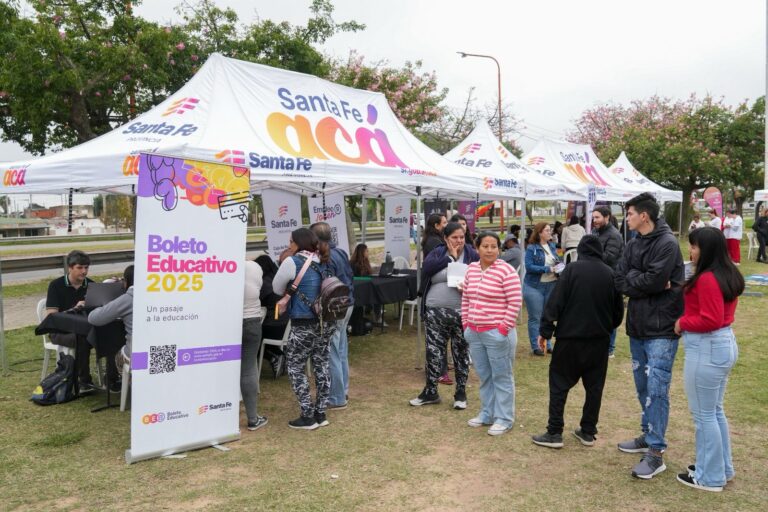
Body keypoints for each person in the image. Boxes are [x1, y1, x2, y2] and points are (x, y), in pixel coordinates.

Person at [614, 192, 684, 479]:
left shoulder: (667, 243)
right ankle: (648, 432)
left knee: (657, 389)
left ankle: (656, 452)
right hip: (638, 326)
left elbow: (655, 280)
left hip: (661, 329)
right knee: (643, 386)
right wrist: (645, 282)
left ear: (644, 215)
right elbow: (619, 278)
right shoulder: (633, 243)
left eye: (629, 213)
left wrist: (644, 281)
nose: (626, 218)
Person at [531, 236, 624, 449]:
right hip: (599, 342)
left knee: (558, 385)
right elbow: (618, 313)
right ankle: (588, 431)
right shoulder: (610, 274)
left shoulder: (571, 271)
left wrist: (545, 331)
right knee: (594, 388)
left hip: (569, 339)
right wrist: (605, 326)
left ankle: (554, 432)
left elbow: (555, 303)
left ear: (580, 250)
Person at [673, 227, 743, 492]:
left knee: (704, 415)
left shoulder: (707, 278)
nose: (690, 251)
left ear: (708, 249)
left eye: (694, 246)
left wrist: (681, 322)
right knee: (713, 411)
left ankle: (709, 476)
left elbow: (710, 319)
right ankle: (719, 468)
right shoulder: (727, 273)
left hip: (708, 347)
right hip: (722, 344)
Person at [273, 228, 337, 430]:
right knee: (322, 364)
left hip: (303, 321)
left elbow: (276, 287)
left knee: (295, 366)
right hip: (325, 322)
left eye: (291, 241)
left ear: (298, 243)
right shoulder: (324, 260)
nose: (289, 245)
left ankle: (307, 415)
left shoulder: (292, 261)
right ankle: (321, 412)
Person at [410, 222, 479, 409]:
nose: (458, 241)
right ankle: (430, 391)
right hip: (435, 311)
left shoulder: (472, 254)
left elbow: (482, 277)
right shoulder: (438, 252)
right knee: (433, 352)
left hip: (462, 312)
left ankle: (460, 393)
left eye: (461, 237)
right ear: (446, 238)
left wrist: (469, 286)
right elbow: (427, 269)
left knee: (461, 352)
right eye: (454, 237)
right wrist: (451, 258)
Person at [461, 232, 522, 436]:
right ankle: (487, 413)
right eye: (485, 246)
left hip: (497, 334)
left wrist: (503, 329)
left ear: (499, 249)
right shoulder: (471, 269)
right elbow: (466, 299)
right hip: (475, 333)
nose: (489, 250)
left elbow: (515, 302)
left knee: (502, 376)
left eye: (493, 246)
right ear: (477, 248)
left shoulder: (506, 271)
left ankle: (504, 418)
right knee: (485, 376)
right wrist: (466, 324)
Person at [310, 222, 354, 410]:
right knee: (341, 350)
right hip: (348, 304)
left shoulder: (325, 258)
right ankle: (342, 390)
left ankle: (336, 397)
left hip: (335, 308)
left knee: (333, 352)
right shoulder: (342, 252)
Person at [45, 250, 100, 392]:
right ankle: (84, 381)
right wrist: (74, 309)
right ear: (70, 268)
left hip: (85, 328)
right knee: (83, 338)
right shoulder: (56, 285)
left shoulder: (92, 285)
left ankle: (113, 378)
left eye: (86, 267)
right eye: (80, 268)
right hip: (59, 331)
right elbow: (52, 317)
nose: (84, 271)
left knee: (109, 333)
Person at [87, 265, 134, 393]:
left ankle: (122, 381)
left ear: (126, 281)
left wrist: (101, 307)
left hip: (135, 356)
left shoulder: (128, 298)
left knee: (114, 349)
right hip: (158, 351)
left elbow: (94, 318)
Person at [592, 206, 625, 357]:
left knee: (609, 315)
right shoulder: (596, 232)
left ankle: (609, 348)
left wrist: (591, 254)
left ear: (607, 217)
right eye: (593, 218)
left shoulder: (614, 235)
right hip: (597, 278)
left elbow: (609, 258)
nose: (594, 221)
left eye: (597, 217)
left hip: (610, 280)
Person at [523, 222, 561, 356]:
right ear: (539, 233)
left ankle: (547, 344)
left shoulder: (551, 246)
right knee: (535, 317)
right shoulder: (531, 248)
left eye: (550, 230)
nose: (550, 232)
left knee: (548, 317)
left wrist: (559, 267)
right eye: (547, 230)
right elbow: (528, 267)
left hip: (551, 285)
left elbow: (556, 261)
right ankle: (536, 346)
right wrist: (547, 269)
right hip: (534, 286)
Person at [239, 260, 267, 430]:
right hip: (252, 321)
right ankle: (252, 417)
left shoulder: (217, 266)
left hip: (224, 323)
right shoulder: (254, 267)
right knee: (249, 368)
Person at [255, 255, 289, 378]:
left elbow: (259, 306)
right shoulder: (277, 280)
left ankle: (274, 357)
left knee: (251, 337)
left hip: (274, 325)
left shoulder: (262, 283)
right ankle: (279, 354)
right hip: (287, 326)